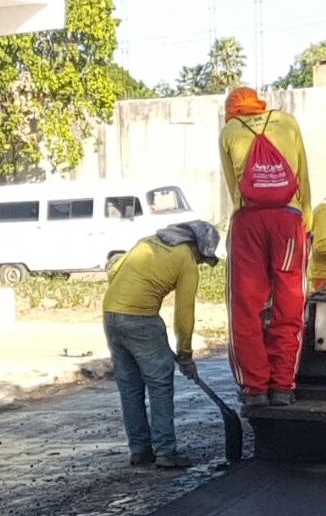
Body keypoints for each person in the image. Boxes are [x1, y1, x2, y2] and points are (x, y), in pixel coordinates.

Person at [219, 86, 312, 410]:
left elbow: (234, 187)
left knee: (246, 310)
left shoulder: (230, 130)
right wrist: (306, 218)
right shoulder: (287, 122)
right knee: (289, 306)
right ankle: (283, 387)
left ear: (232, 109)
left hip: (249, 224)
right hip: (289, 220)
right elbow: (303, 173)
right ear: (259, 104)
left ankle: (255, 389)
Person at [103, 220, 221, 470]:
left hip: (111, 314)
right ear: (196, 246)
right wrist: (185, 354)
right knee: (160, 385)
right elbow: (184, 312)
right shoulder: (186, 259)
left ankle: (140, 450)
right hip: (142, 318)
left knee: (130, 387)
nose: (200, 262)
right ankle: (166, 451)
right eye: (202, 257)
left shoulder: (147, 242)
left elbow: (113, 272)